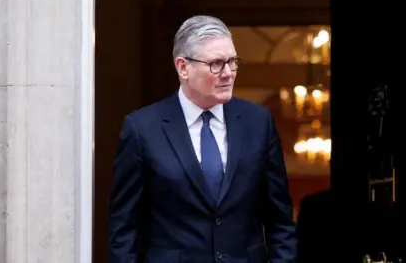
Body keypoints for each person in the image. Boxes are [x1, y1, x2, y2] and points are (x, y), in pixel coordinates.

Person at [108, 15, 297, 263]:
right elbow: (125, 231)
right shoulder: (142, 129)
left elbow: (280, 221)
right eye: (216, 64)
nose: (228, 73)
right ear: (183, 67)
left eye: (232, 61)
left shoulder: (258, 123)